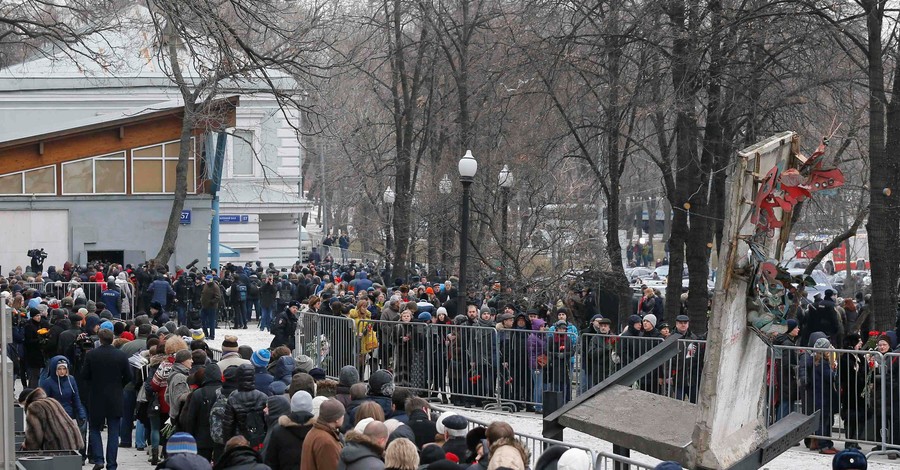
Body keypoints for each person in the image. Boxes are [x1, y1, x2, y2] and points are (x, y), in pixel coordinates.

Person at [81, 328, 132, 470]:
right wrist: (119, 385)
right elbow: (129, 376)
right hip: (115, 396)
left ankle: (98, 459)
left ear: (100, 339)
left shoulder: (92, 355)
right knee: (114, 432)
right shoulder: (121, 355)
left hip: (96, 396)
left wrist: (93, 384)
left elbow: (84, 375)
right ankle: (112, 463)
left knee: (95, 429)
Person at [19, 387, 84, 452]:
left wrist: (26, 447)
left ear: (26, 400)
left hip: (58, 446)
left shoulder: (34, 407)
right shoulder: (51, 400)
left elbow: (35, 435)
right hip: (73, 441)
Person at [223, 364, 269, 451]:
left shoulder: (233, 398)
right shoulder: (262, 396)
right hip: (259, 439)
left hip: (240, 440)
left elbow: (228, 424)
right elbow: (267, 420)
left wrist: (228, 443)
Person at [183, 363, 223, 460]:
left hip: (201, 438)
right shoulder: (224, 391)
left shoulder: (198, 393)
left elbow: (190, 418)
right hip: (220, 437)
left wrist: (190, 436)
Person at [301, 398, 345, 470]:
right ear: (336, 419)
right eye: (342, 414)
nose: (343, 417)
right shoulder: (326, 441)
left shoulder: (314, 432)